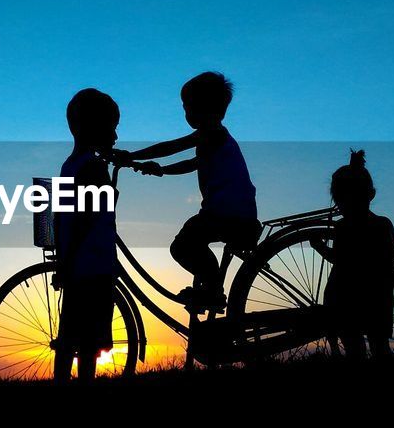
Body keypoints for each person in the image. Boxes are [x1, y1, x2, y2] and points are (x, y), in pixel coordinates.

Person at [126, 72, 260, 311]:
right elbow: (192, 163)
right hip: (236, 214)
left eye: (188, 107)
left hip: (227, 215)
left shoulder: (213, 133)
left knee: (184, 246)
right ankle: (210, 290)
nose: (186, 113)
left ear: (204, 108)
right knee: (191, 241)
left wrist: (132, 156)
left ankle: (213, 290)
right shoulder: (216, 139)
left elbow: (174, 146)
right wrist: (161, 170)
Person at [52, 88, 120, 385]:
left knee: (68, 334)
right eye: (112, 128)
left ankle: (61, 382)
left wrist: (64, 259)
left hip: (78, 262)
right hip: (95, 262)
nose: (115, 136)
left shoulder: (70, 166)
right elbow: (89, 216)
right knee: (90, 340)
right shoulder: (94, 168)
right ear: (93, 129)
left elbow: (65, 216)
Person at [310, 150, 394, 359]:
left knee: (354, 349)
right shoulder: (383, 224)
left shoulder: (343, 228)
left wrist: (318, 247)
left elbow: (341, 260)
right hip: (379, 298)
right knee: (380, 347)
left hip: (346, 298)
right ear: (371, 194)